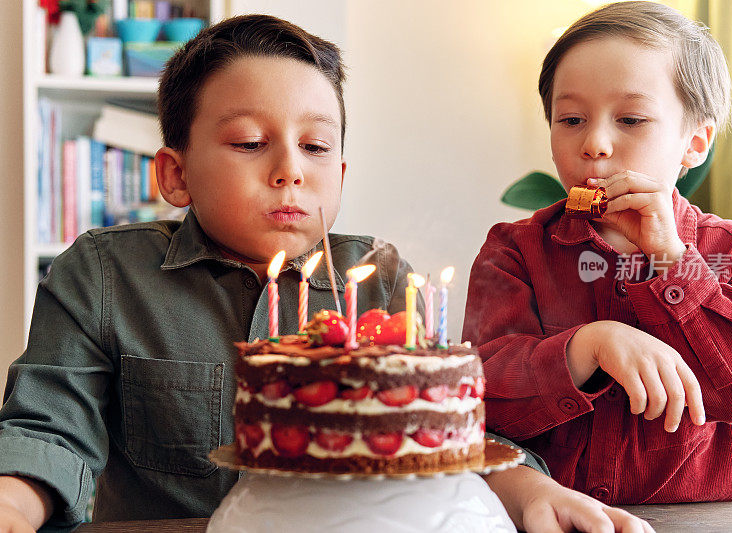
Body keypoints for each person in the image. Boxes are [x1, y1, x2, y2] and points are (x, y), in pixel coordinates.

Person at [0, 14, 647, 533]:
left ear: (338, 174)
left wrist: (531, 489)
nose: (290, 170)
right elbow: (46, 432)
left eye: (315, 146)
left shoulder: (384, 277)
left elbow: (447, 436)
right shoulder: (108, 272)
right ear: (174, 173)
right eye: (250, 142)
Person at [463, 1, 732, 506]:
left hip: (695, 517)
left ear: (695, 143)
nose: (595, 143)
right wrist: (588, 347)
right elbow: (480, 398)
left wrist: (671, 259)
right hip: (546, 514)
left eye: (632, 119)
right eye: (571, 118)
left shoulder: (731, 250)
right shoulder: (514, 250)